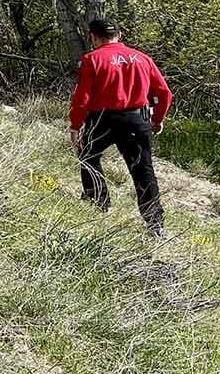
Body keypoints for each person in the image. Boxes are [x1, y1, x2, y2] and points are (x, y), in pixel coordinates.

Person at [68, 19, 173, 234]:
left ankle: (98, 203)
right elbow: (164, 93)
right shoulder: (142, 58)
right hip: (137, 120)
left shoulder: (91, 59)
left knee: (88, 156)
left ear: (93, 37)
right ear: (119, 35)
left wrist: (76, 125)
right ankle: (154, 223)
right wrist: (157, 119)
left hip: (102, 120)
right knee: (143, 169)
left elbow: (82, 98)